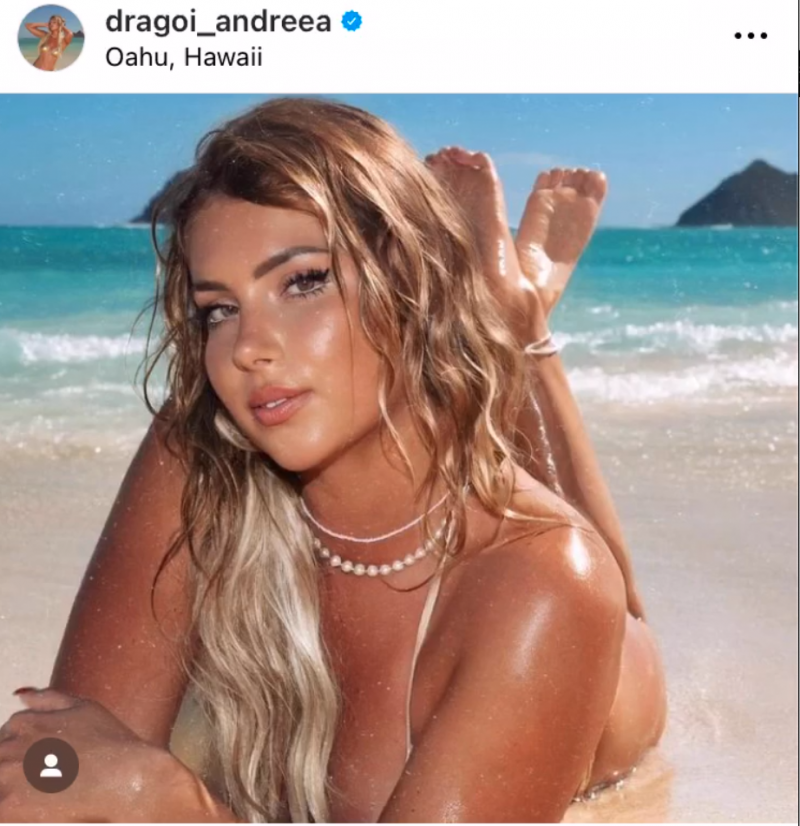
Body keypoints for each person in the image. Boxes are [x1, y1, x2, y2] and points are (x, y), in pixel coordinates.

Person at [0, 98, 666, 823]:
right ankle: (495, 314)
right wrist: (82, 776)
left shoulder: (548, 583)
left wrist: (175, 804)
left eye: (304, 281)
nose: (249, 348)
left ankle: (514, 317)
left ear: (414, 284)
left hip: (584, 651)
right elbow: (65, 769)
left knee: (594, 587)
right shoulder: (196, 451)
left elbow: (118, 791)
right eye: (219, 308)